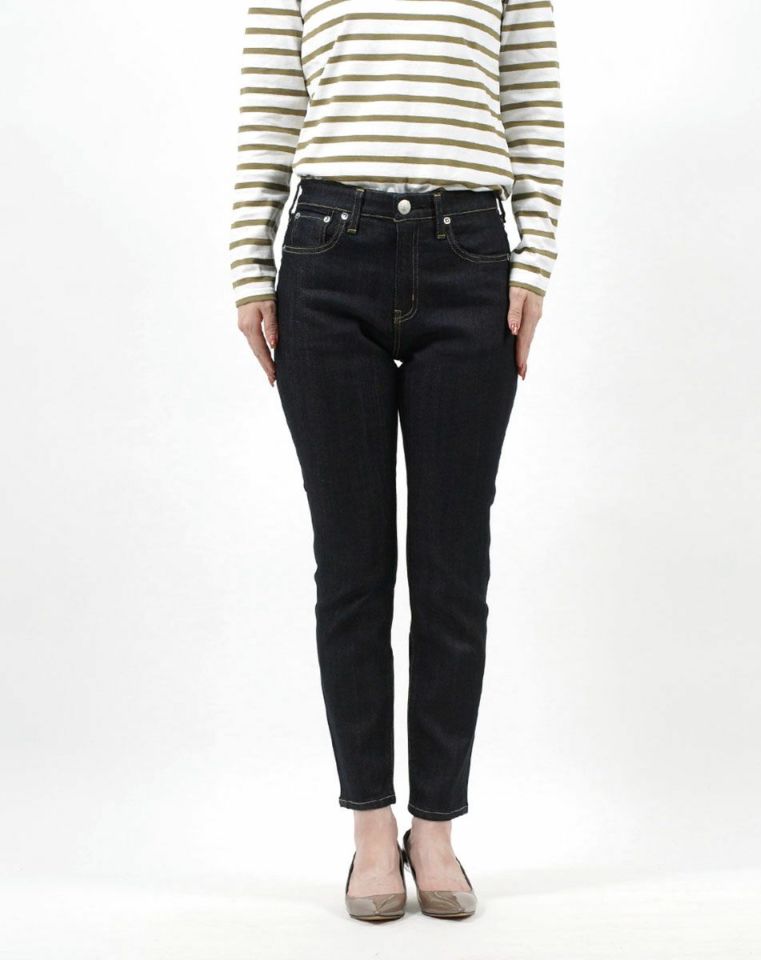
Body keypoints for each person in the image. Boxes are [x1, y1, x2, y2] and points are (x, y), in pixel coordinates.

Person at [230, 0, 564, 921]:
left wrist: (533, 262)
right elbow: (269, 110)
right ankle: (372, 829)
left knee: (453, 564)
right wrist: (250, 266)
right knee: (352, 563)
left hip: (471, 258)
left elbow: (534, 110)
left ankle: (437, 827)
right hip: (327, 253)